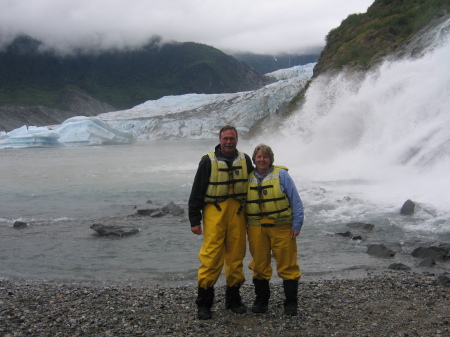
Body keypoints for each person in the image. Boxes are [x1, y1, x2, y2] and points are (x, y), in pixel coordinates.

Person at [189, 125, 254, 320]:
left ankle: (233, 299)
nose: (228, 142)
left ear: (236, 140)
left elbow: (253, 187)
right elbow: (197, 191)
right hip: (214, 213)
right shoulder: (207, 161)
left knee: (236, 256)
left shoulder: (245, 159)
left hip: (238, 213)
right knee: (211, 257)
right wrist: (195, 220)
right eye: (225, 138)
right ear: (220, 139)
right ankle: (204, 303)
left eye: (232, 139)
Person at [245, 144, 304, 316]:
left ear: (270, 159)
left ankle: (291, 302)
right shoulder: (248, 178)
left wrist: (297, 224)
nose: (262, 160)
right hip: (257, 227)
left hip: (282, 226)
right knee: (259, 265)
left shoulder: (282, 175)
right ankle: (262, 301)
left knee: (288, 264)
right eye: (258, 157)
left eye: (265, 157)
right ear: (254, 159)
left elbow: (295, 200)